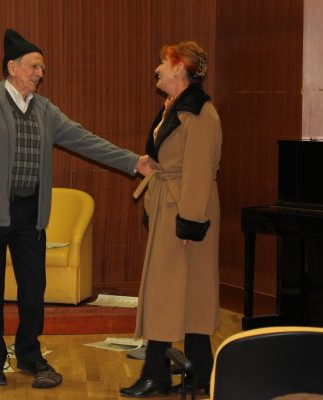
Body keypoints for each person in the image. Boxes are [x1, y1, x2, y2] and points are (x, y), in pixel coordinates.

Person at [0, 28, 151, 389]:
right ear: (12, 67)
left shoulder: (45, 110)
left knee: (33, 290)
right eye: (34, 66)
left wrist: (132, 161)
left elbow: (84, 139)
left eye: (42, 67)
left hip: (31, 215)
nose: (40, 73)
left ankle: (30, 354)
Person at [120, 41, 222, 397]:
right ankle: (199, 372)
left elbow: (198, 172)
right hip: (171, 205)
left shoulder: (201, 113)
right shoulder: (176, 107)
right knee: (186, 292)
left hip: (186, 210)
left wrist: (190, 223)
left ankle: (157, 372)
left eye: (163, 62)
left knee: (172, 292)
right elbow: (164, 156)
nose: (157, 68)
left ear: (180, 68)